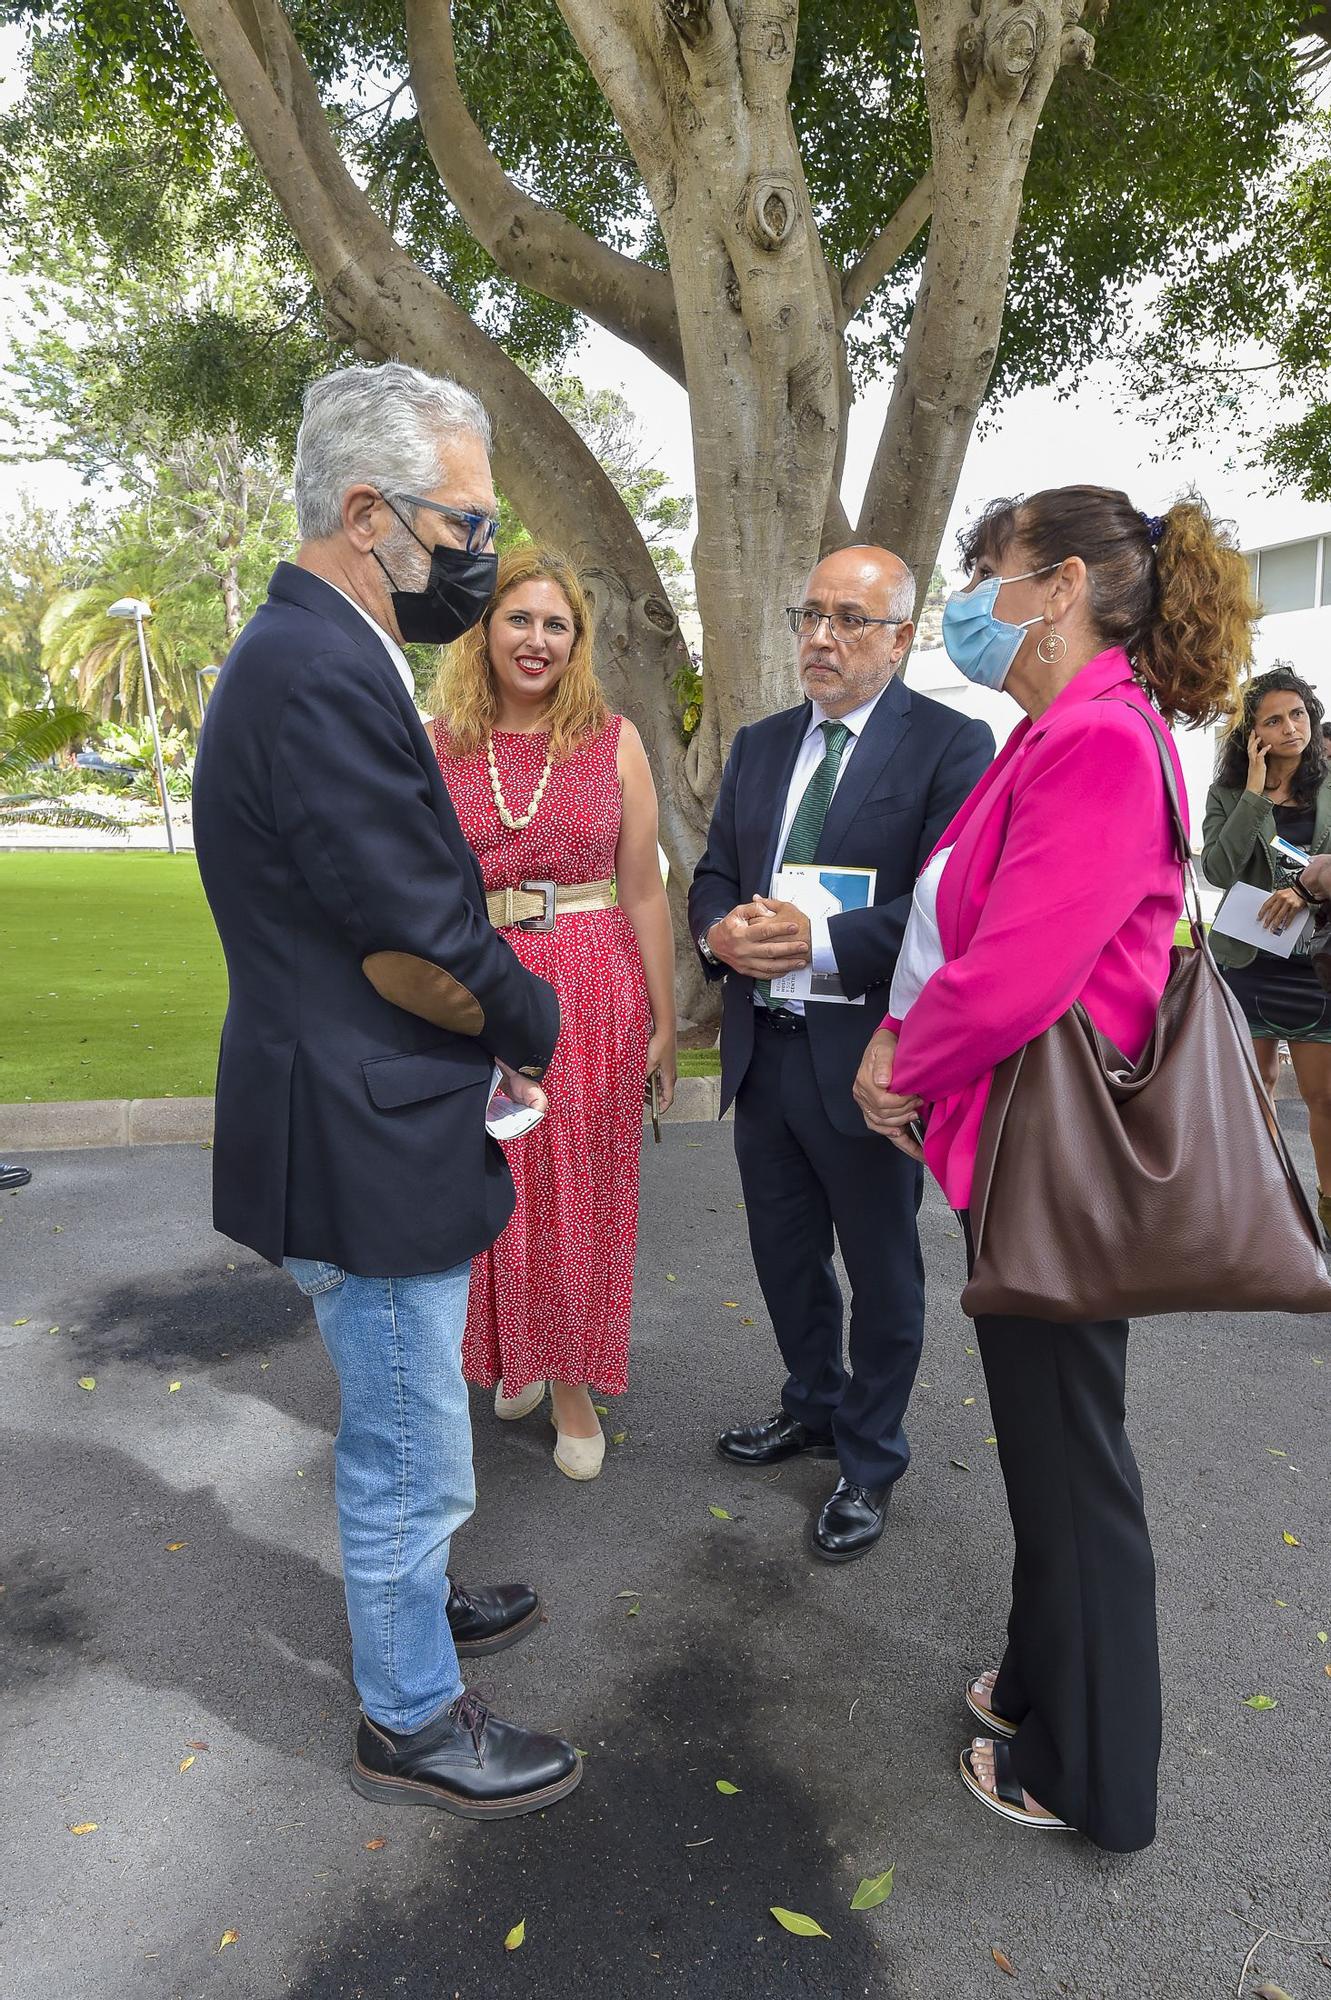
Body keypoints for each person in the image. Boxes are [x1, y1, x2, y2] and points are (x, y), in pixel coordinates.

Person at [192, 362, 582, 1821]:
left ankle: (409, 1614)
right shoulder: (316, 669)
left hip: (359, 1105)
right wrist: (532, 1018)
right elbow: (418, 944)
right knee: (410, 1444)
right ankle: (409, 1713)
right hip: (360, 1124)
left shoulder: (321, 652)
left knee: (408, 1421)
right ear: (371, 516)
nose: (479, 555)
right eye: (463, 523)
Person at [853, 486, 1255, 1849]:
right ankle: (1037, 1684)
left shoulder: (1087, 735)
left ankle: (1089, 1776)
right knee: (1047, 1446)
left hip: (1052, 1154)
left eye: (991, 570)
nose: (970, 596)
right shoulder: (1069, 729)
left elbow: (1017, 968)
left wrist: (895, 1059)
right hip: (1037, 1149)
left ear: (1060, 584)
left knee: (1071, 1464)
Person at [689, 545, 993, 1561]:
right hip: (763, 1048)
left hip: (866, 1057)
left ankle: (868, 1458)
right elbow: (713, 870)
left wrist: (817, 941)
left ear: (899, 637)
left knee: (881, 1268)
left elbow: (946, 903)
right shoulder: (761, 742)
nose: (820, 636)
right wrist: (716, 932)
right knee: (783, 1257)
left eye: (849, 619)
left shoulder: (952, 746)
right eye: (809, 613)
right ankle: (811, 1403)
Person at [431, 547, 676, 1479]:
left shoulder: (610, 738)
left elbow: (643, 889)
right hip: (475, 989)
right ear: (484, 630)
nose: (536, 641)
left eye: (556, 625)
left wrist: (663, 1021)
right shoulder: (436, 739)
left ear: (577, 641)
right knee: (496, 1185)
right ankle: (511, 1353)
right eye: (518, 619)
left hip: (591, 987)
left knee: (577, 1196)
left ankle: (570, 1379)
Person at [1202, 667, 1331, 1240]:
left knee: (1323, 1096)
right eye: (1273, 720)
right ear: (1251, 734)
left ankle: (1328, 1211)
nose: (1290, 728)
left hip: (1318, 964)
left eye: (1298, 714)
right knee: (1254, 1090)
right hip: (1248, 960)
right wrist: (1254, 793)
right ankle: (1268, 1210)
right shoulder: (1229, 793)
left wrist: (1307, 888)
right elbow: (1217, 869)